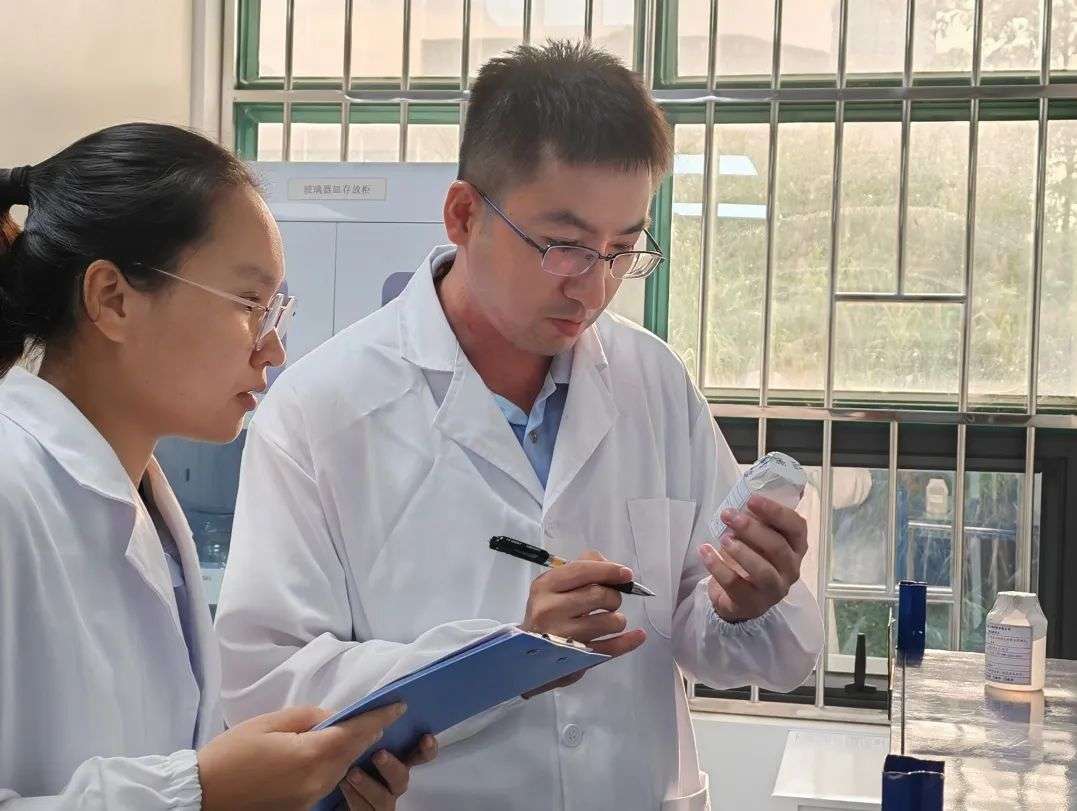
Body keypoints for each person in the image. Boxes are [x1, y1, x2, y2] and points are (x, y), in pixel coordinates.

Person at [215, 42, 823, 810]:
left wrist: (743, 601)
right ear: (464, 214)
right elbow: (268, 683)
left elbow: (716, 640)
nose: (593, 286)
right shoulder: (320, 409)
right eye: (563, 246)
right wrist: (502, 654)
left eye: (621, 249)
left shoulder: (653, 383)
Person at [0, 123, 434, 810]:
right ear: (112, 299)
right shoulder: (12, 488)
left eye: (275, 309)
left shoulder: (143, 500)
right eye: (249, 304)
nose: (273, 349)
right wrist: (202, 792)